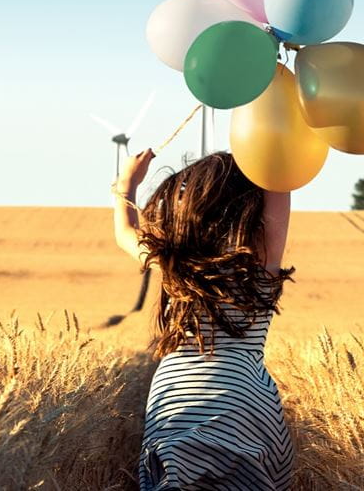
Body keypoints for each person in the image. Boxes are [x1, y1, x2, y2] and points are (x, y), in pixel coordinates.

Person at [112, 148, 295, 490]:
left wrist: (127, 183)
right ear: (249, 210)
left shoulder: (173, 264)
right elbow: (279, 182)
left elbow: (125, 232)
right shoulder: (260, 261)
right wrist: (267, 141)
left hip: (175, 398)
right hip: (245, 398)